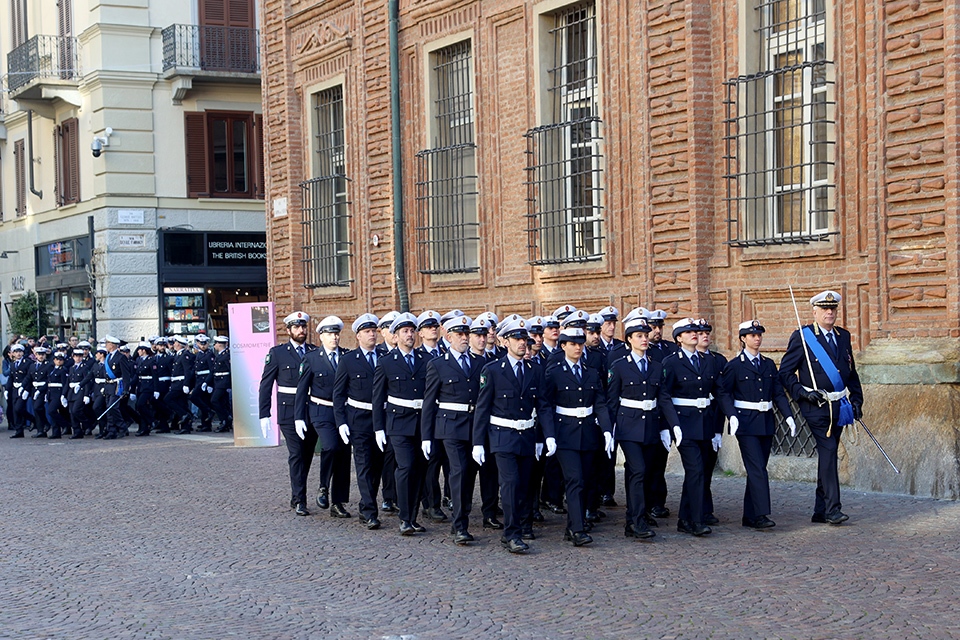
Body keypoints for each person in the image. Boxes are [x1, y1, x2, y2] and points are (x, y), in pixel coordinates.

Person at [779, 290, 863, 525]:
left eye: (833, 308)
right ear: (814, 311)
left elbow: (850, 372)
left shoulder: (843, 336)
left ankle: (820, 510)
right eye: (825, 309)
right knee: (829, 450)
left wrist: (857, 400)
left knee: (828, 454)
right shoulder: (803, 337)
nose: (829, 312)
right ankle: (833, 509)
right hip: (816, 406)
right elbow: (785, 374)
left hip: (840, 406)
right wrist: (803, 393)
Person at [473, 317, 554, 553]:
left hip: (526, 435)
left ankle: (520, 525)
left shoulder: (534, 370)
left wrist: (548, 436)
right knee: (510, 484)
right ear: (505, 341)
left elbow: (543, 406)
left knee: (525, 485)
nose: (522, 343)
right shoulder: (493, 370)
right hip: (502, 436)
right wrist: (478, 442)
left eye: (524, 339)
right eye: (517, 339)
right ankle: (512, 534)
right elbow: (482, 408)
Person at [718, 320, 796, 529]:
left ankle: (750, 515)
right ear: (743, 338)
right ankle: (761, 514)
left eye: (759, 335)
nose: (757, 339)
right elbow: (724, 393)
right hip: (745, 423)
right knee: (758, 469)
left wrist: (788, 416)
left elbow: (778, 393)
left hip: (766, 421)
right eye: (753, 335)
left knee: (758, 468)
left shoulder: (768, 364)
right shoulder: (734, 365)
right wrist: (731, 415)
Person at [543, 327, 613, 547]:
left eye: (580, 344)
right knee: (575, 479)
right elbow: (546, 405)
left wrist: (607, 430)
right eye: (573, 344)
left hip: (588, 433)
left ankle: (573, 524)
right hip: (565, 433)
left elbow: (600, 403)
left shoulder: (590, 372)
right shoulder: (555, 372)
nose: (578, 348)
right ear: (563, 346)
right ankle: (577, 529)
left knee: (586, 479)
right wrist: (549, 434)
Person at [420, 315, 484, 545]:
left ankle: (461, 515)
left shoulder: (479, 363)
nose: (464, 338)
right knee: (458, 471)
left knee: (469, 474)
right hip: (449, 427)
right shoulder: (438, 364)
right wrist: (426, 436)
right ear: (448, 337)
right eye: (459, 334)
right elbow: (429, 403)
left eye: (466, 334)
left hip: (474, 426)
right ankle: (460, 526)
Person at [606, 316, 670, 540]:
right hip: (628, 427)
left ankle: (633, 519)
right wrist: (609, 430)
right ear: (629, 340)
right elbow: (612, 401)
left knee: (644, 472)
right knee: (639, 470)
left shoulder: (656, 366)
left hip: (651, 425)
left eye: (646, 335)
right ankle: (637, 520)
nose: (644, 339)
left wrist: (669, 426)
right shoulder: (620, 366)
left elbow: (663, 399)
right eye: (639, 336)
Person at [660, 318, 725, 537]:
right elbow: (664, 396)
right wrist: (669, 425)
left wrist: (731, 416)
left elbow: (719, 391)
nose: (695, 334)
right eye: (689, 332)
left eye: (695, 331)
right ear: (679, 338)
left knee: (699, 471)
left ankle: (685, 518)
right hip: (683, 425)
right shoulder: (671, 362)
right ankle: (696, 520)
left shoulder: (707, 361)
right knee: (695, 469)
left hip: (704, 423)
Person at [373, 312, 428, 535]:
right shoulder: (386, 362)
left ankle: (413, 516)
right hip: (398, 423)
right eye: (405, 331)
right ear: (395, 336)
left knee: (420, 469)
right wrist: (378, 428)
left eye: (412, 331)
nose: (410, 335)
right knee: (405, 467)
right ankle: (404, 518)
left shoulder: (425, 360)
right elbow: (378, 398)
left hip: (421, 423)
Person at [259, 311, 318, 516]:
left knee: (307, 455)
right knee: (297, 454)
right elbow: (266, 384)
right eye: (296, 327)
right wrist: (264, 413)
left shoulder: (314, 351)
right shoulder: (278, 353)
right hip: (289, 411)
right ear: (288, 330)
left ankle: (297, 494)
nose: (301, 330)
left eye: (303, 327)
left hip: (311, 410)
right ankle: (300, 499)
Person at [295, 315, 352, 518]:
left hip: (343, 412)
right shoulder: (311, 358)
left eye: (336, 334)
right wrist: (299, 417)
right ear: (321, 336)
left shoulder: (346, 357)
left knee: (344, 455)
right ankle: (323, 486)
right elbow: (302, 390)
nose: (334, 337)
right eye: (329, 334)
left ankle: (338, 502)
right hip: (321, 410)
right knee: (330, 446)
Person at [333, 313, 385, 529]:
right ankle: (370, 512)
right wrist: (341, 422)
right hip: (358, 419)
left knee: (377, 466)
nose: (372, 334)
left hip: (381, 419)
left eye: (373, 331)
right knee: (363, 465)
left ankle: (366, 503)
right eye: (367, 331)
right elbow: (338, 393)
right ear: (358, 336)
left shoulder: (384, 357)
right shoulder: (348, 360)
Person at [695, 318, 727, 525]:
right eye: (700, 333)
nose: (704, 336)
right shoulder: (685, 360)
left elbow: (723, 394)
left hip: (713, 418)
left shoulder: (718, 360)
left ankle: (706, 509)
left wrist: (719, 429)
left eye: (707, 332)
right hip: (693, 421)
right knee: (697, 469)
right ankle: (698, 510)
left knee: (708, 468)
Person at [165, 336, 196, 434]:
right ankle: (185, 427)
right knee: (182, 403)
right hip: (176, 383)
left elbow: (187, 371)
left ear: (178, 344)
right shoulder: (178, 355)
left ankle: (184, 415)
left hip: (180, 383)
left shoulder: (184, 355)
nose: (173, 344)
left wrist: (186, 384)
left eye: (175, 343)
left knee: (168, 399)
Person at [190, 335, 215, 432]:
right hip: (199, 380)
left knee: (194, 397)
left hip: (205, 380)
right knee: (204, 401)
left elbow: (212, 370)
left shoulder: (209, 354)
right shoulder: (199, 354)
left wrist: (208, 383)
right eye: (201, 343)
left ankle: (209, 413)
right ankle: (205, 423)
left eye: (204, 343)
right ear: (197, 344)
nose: (203, 346)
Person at [4, 344, 30, 438]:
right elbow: (11, 378)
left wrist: (26, 389)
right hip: (15, 388)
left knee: (18, 408)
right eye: (16, 352)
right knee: (15, 410)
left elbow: (29, 377)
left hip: (23, 388)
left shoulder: (27, 363)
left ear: (23, 352)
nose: (18, 354)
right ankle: (19, 431)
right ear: (13, 354)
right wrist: (7, 389)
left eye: (20, 352)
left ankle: (33, 420)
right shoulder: (12, 364)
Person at [133, 342, 157, 436]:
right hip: (140, 386)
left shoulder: (151, 360)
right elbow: (137, 374)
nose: (138, 351)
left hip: (148, 386)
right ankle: (144, 428)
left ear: (144, 350)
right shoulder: (139, 360)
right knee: (140, 407)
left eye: (139, 350)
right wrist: (131, 386)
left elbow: (155, 376)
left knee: (141, 404)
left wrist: (156, 390)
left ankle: (152, 420)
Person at [27, 347, 52, 438]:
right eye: (39, 354)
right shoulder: (32, 366)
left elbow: (49, 379)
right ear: (35, 355)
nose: (41, 356)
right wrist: (23, 388)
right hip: (34, 389)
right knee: (36, 409)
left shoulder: (49, 365)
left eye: (43, 354)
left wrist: (41, 389)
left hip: (43, 390)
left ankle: (46, 423)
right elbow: (29, 378)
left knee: (38, 407)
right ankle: (40, 430)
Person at [45, 352, 70, 439]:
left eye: (61, 360)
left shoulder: (63, 370)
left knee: (51, 411)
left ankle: (65, 424)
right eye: (57, 359)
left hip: (58, 394)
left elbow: (65, 384)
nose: (59, 361)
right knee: (53, 413)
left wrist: (63, 395)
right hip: (51, 393)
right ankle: (56, 432)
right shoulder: (52, 369)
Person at [210, 336, 233, 432]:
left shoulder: (226, 355)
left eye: (215, 343)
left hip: (224, 382)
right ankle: (226, 422)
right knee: (223, 402)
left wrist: (229, 384)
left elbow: (230, 370)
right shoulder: (220, 355)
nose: (214, 345)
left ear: (219, 344)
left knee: (214, 400)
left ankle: (224, 419)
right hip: (218, 381)